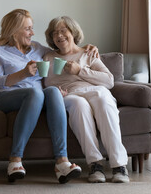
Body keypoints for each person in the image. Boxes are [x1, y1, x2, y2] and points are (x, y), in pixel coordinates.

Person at [0, 9, 98, 184]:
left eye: (32, 28)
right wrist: (23, 74)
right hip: (5, 97)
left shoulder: (38, 49)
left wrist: (86, 48)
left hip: (36, 97)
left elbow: (64, 50)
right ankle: (15, 161)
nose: (32, 33)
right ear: (14, 32)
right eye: (28, 29)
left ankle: (62, 162)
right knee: (35, 92)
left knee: (53, 91)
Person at [43, 16, 129, 183]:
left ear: (73, 32)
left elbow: (109, 80)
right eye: (55, 33)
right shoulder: (48, 57)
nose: (59, 35)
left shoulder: (88, 53)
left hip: (96, 91)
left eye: (63, 30)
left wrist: (80, 71)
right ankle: (95, 164)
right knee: (79, 104)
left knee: (103, 101)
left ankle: (119, 165)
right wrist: (53, 93)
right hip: (70, 95)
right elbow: (44, 83)